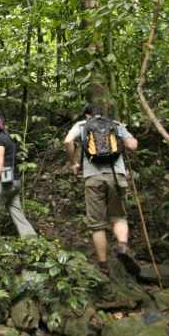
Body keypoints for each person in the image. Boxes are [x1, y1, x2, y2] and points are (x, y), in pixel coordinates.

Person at [63, 104, 139, 274]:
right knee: (118, 216)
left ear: (87, 115)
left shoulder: (82, 126)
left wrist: (74, 162)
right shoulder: (115, 124)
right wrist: (123, 142)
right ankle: (122, 246)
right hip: (116, 175)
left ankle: (103, 265)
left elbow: (67, 142)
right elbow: (133, 145)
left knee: (97, 224)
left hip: (92, 177)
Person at [0, 114, 37, 238]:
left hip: (6, 183)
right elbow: (5, 158)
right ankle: (31, 240)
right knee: (17, 214)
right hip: (14, 182)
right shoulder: (7, 138)